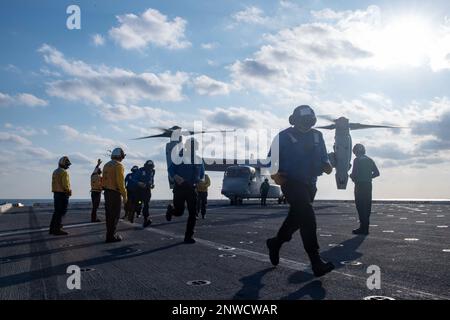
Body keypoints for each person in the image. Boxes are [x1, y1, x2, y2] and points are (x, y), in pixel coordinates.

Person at [266, 105, 335, 277]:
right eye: (303, 120)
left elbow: (324, 157)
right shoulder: (283, 136)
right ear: (294, 120)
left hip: (310, 184)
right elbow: (270, 160)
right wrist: (276, 176)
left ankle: (275, 242)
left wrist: (327, 165)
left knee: (297, 218)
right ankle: (316, 261)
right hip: (291, 182)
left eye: (309, 121)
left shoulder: (317, 136)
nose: (306, 124)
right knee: (307, 214)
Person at [166, 138, 205, 244]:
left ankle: (188, 236)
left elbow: (202, 175)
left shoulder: (199, 160)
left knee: (193, 213)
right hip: (180, 188)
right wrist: (175, 176)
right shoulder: (179, 157)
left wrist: (200, 181)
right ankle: (171, 209)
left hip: (192, 189)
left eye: (194, 147)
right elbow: (170, 169)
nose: (192, 148)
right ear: (187, 147)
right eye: (190, 146)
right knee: (179, 212)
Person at [350, 144, 380, 235]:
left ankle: (363, 228)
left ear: (355, 152)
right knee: (367, 206)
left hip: (359, 185)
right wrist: (368, 177)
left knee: (360, 206)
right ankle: (365, 228)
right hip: (368, 185)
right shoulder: (370, 160)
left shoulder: (357, 160)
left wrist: (351, 177)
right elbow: (377, 173)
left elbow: (354, 174)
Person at [102, 148, 127, 243]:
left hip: (107, 193)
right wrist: (125, 196)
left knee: (109, 215)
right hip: (115, 194)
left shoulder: (106, 165)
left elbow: (103, 180)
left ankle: (109, 235)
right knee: (115, 215)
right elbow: (120, 183)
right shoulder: (118, 165)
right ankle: (111, 236)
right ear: (120, 156)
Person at [50, 156, 72, 236]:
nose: (68, 166)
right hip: (63, 193)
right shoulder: (64, 172)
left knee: (56, 211)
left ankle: (52, 228)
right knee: (62, 211)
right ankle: (57, 229)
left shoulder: (55, 171)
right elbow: (65, 184)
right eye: (67, 164)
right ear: (63, 164)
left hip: (56, 193)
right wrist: (68, 191)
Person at [137, 160, 155, 228]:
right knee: (139, 202)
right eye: (148, 167)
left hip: (147, 189)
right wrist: (139, 183)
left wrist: (152, 184)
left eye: (151, 167)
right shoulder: (140, 170)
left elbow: (152, 178)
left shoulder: (153, 171)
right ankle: (138, 208)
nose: (149, 168)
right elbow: (135, 179)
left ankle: (145, 220)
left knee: (146, 204)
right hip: (140, 189)